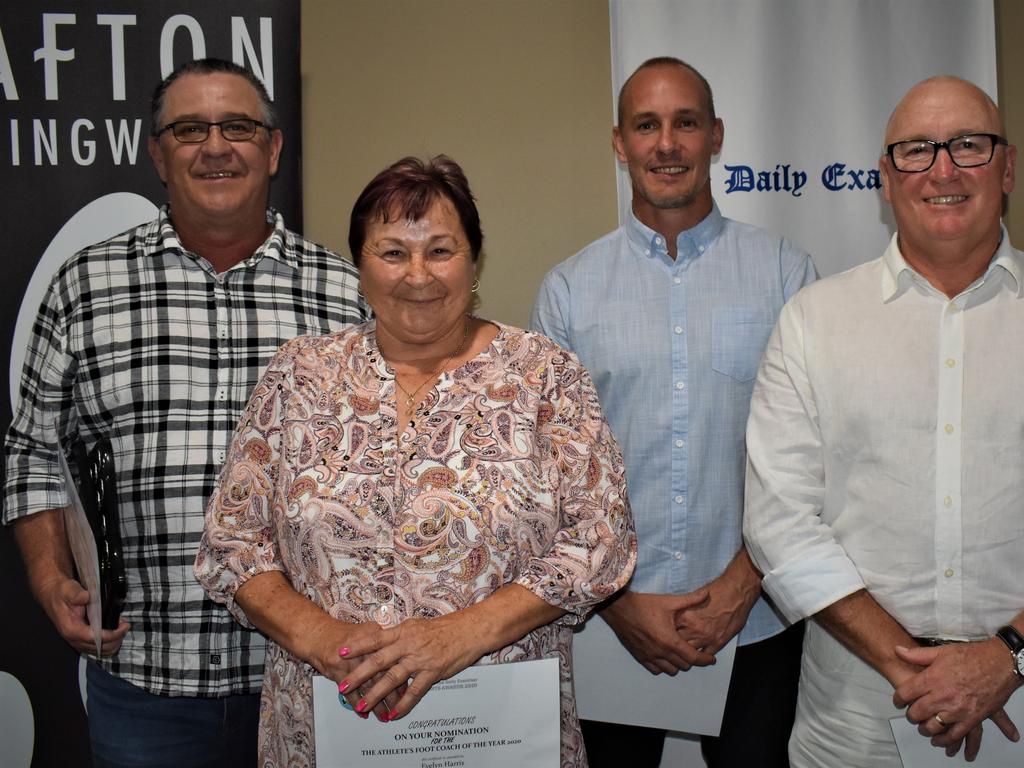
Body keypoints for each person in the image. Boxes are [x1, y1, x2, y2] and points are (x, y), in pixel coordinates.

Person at [194, 155, 637, 767]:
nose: (418, 275)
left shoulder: (544, 375)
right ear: (359, 265)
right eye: (393, 252)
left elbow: (600, 542)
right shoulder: (298, 376)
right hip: (329, 720)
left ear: (474, 260)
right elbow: (233, 542)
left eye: (440, 250)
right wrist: (323, 640)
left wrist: (459, 635)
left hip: (500, 730)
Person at [3, 58, 369, 767]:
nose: (215, 146)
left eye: (237, 126)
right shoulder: (86, 287)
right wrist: (50, 578)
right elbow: (33, 453)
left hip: (305, 679)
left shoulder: (343, 297)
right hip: (145, 687)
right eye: (188, 129)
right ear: (156, 154)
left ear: (273, 147)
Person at [531, 56, 815, 767]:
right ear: (619, 142)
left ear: (716, 136)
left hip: (757, 622)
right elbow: (548, 476)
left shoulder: (787, 274)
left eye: (686, 122)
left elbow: (818, 454)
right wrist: (618, 600)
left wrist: (742, 586)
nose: (667, 144)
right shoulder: (567, 292)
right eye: (646, 125)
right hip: (613, 627)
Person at [743, 75, 1023, 766]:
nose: (944, 169)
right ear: (885, 180)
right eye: (916, 151)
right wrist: (911, 673)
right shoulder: (814, 321)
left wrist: (1010, 655)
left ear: (1008, 166)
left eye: (969, 145)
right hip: (857, 713)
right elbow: (778, 520)